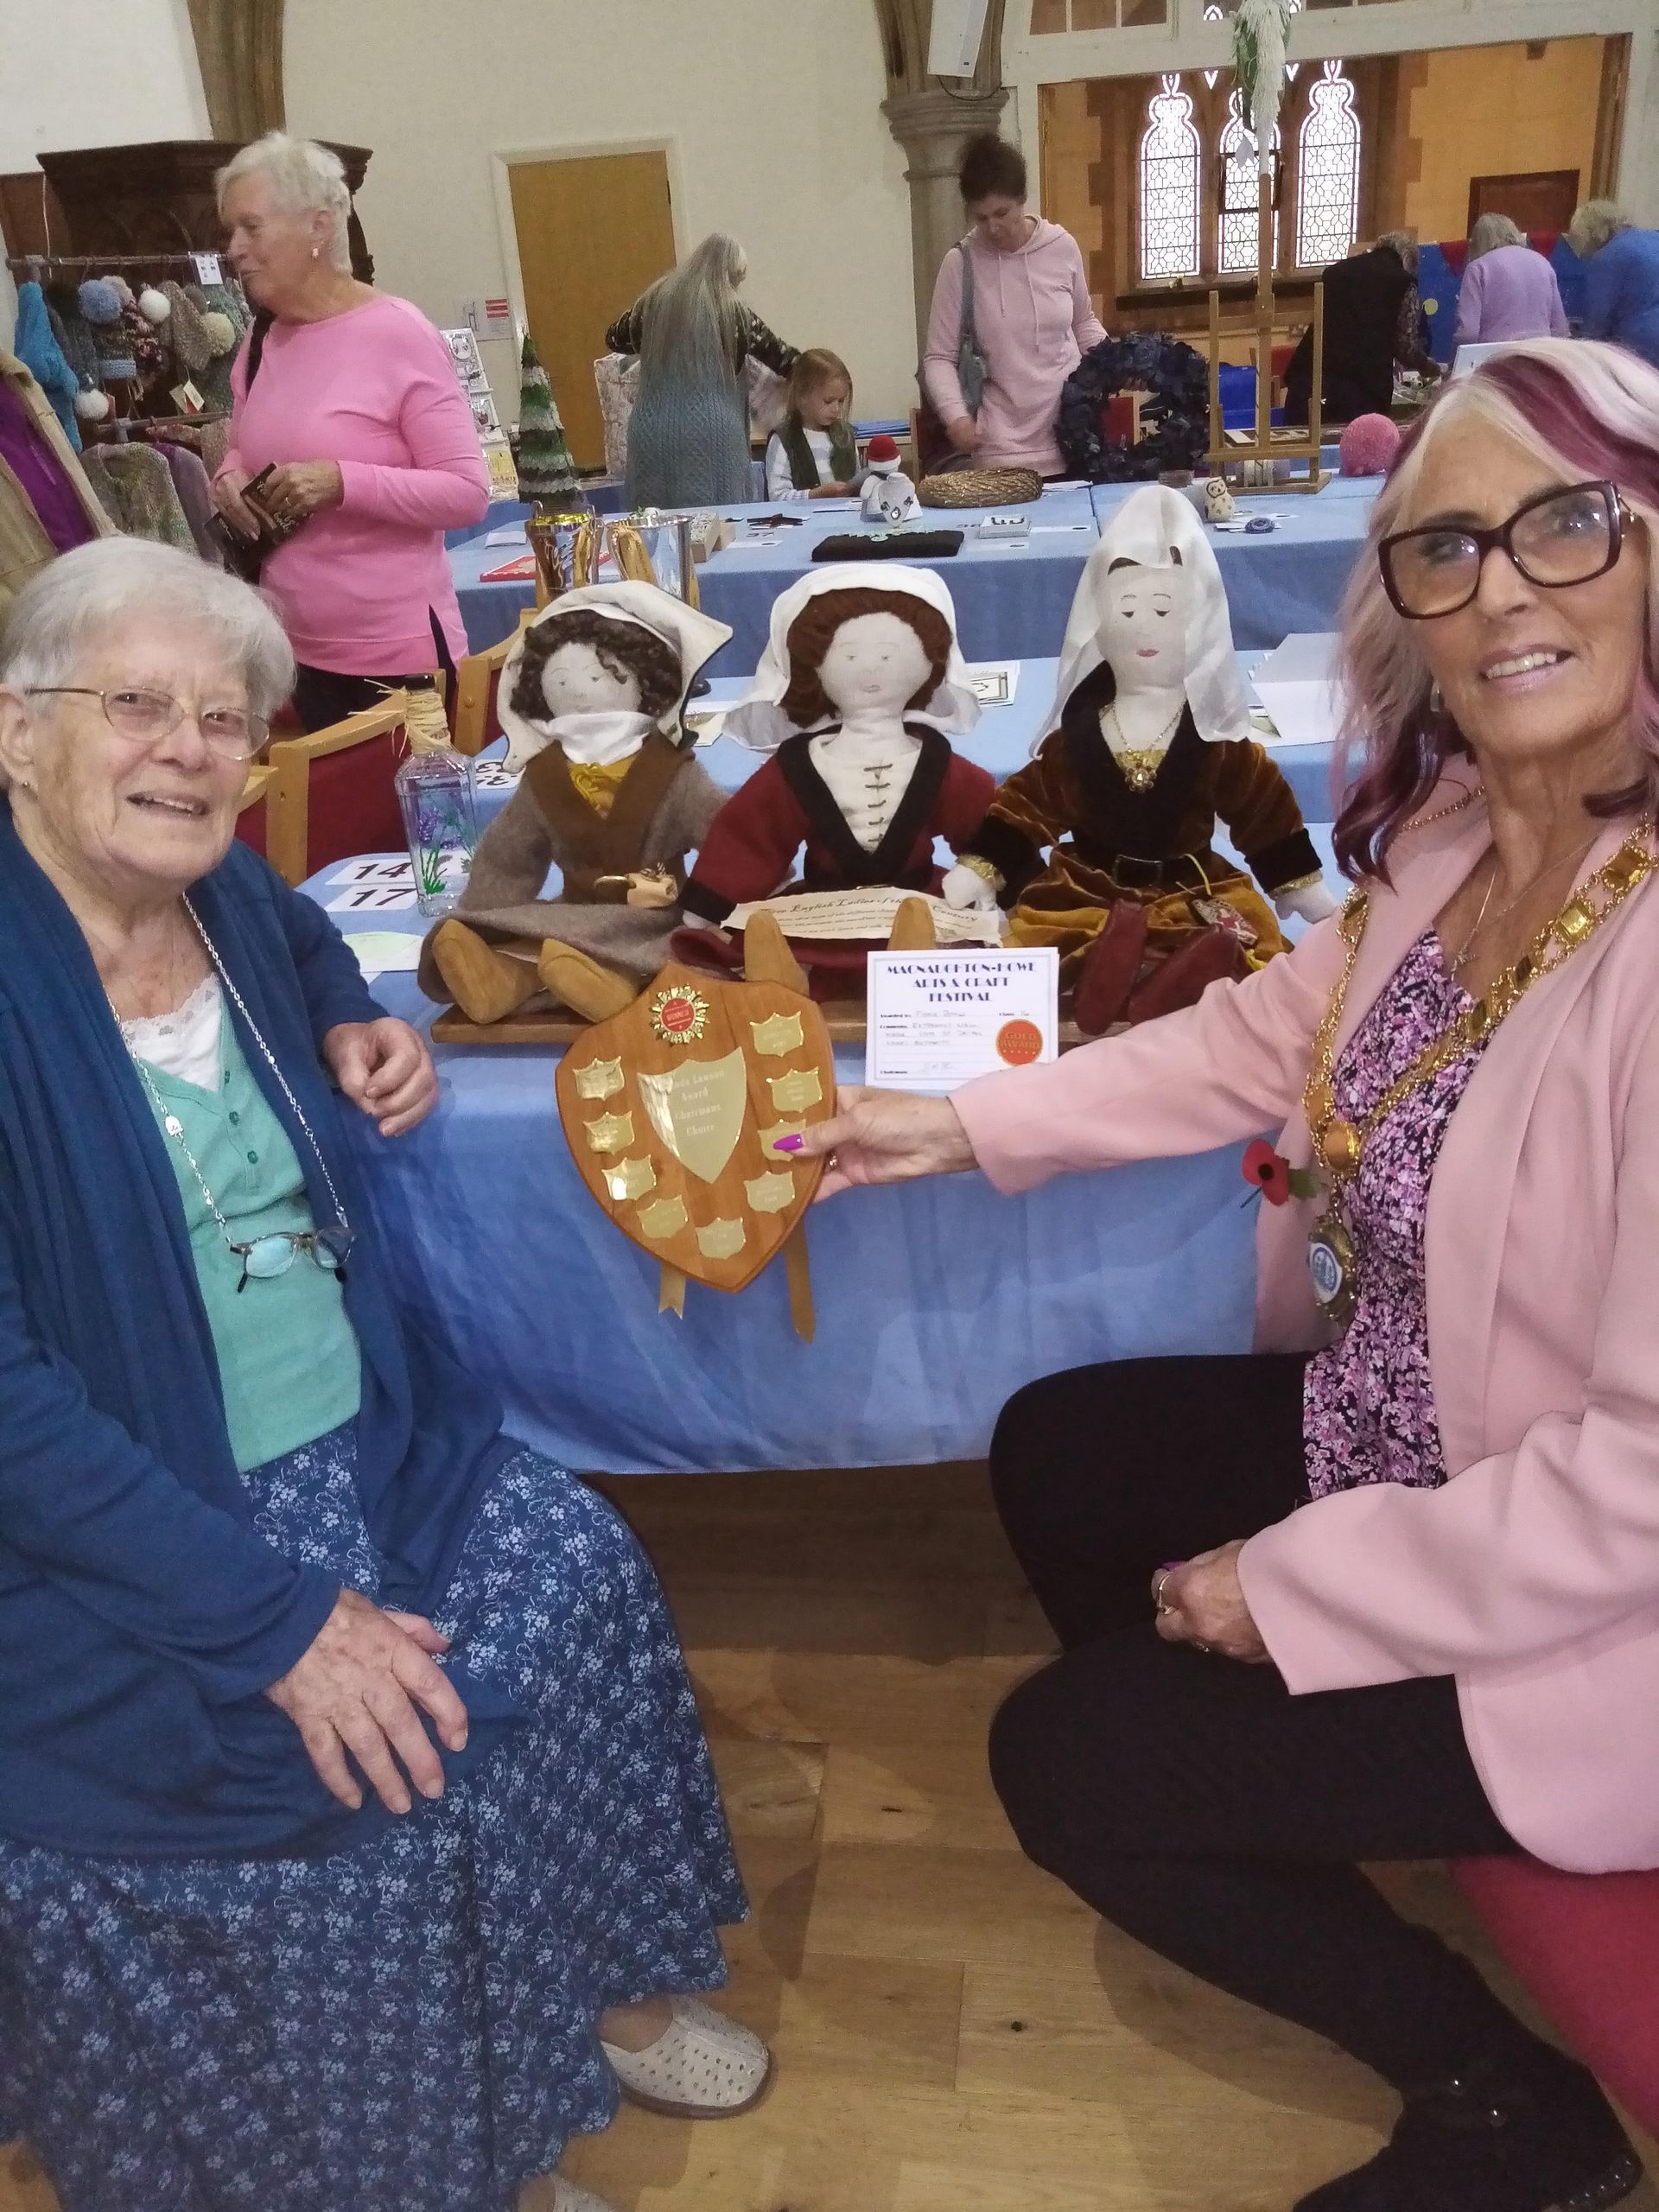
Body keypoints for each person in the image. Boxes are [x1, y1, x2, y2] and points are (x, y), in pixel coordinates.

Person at [786, 338, 1659, 2210]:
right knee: (1062, 1450)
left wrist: (1299, 1583)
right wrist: (957, 1122)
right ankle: (1270, 1788)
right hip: (1420, 1439)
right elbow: (1268, 1032)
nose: (1500, 586)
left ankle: (1508, 2103)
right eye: (1444, 549)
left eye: (1564, 525)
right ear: (1400, 601)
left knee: (1062, 1761)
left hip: (1598, 1606)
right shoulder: (1458, 838)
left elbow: (1636, 1490)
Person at [0, 537, 770, 2212]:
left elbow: (302, 935)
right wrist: (271, 1619)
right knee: (359, 1773)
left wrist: (360, 1018)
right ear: (15, 733)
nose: (190, 747)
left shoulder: (214, 895)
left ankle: (599, 1988)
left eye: (227, 715)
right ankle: (440, 2157)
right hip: (107, 1525)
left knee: (576, 1578)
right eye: (136, 703)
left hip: (359, 1430)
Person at [211, 132, 488, 733]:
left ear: (317, 226)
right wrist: (229, 477)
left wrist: (341, 483)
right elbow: (244, 445)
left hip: (398, 660)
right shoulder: (260, 341)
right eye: (230, 231)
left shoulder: (397, 333)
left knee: (418, 828)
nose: (234, 249)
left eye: (251, 228)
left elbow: (466, 492)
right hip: (291, 651)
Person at [921, 131, 1107, 479]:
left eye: (1001, 213)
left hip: (1070, 436)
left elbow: (1084, 324)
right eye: (980, 217)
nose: (992, 227)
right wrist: (956, 416)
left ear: (1022, 199)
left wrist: (1115, 362)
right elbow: (938, 357)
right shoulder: (960, 263)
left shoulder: (1062, 247)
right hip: (1000, 451)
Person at [605, 233, 798, 508]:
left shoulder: (653, 302)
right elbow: (785, 359)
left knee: (654, 526)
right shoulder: (735, 314)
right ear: (729, 275)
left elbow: (614, 338)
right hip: (713, 433)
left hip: (651, 432)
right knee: (720, 525)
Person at [1284, 231, 1439, 425]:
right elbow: (1405, 346)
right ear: (1408, 260)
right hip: (1361, 394)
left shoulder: (1336, 271)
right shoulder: (1402, 281)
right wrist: (1426, 365)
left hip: (1310, 382)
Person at [1452, 213, 1567, 353]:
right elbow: (1560, 329)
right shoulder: (1543, 263)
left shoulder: (1478, 268)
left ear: (1478, 242)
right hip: (1540, 356)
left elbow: (1468, 333)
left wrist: (1455, 363)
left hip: (1496, 361)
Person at [1570, 199, 1659, 372]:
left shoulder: (1608, 256)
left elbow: (1598, 319)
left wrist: (1580, 351)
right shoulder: (1654, 238)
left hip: (1642, 346)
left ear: (1592, 233)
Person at [765, 346, 860, 501]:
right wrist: (816, 494)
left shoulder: (846, 435)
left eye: (841, 401)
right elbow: (778, 497)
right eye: (828, 401)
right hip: (803, 524)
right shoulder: (783, 440)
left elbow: (857, 483)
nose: (836, 409)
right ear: (802, 395)